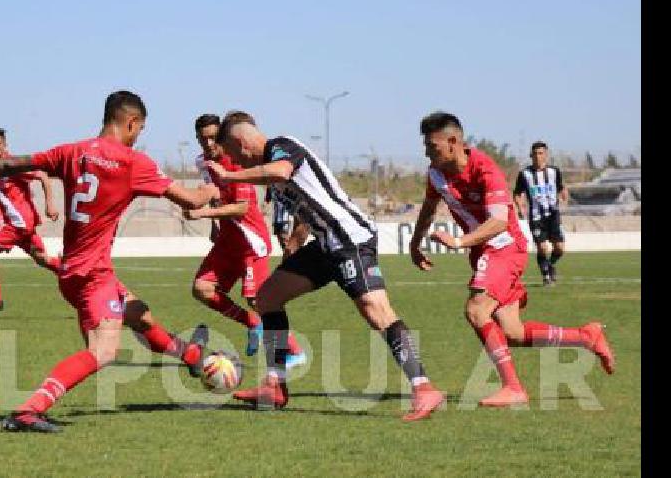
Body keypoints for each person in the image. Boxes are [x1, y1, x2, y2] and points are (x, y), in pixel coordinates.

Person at [0, 90, 221, 433]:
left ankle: (193, 357)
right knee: (104, 351)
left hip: (72, 271)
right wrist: (214, 185)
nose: (138, 137)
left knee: (140, 315)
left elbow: (15, 164)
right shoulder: (134, 163)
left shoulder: (71, 152)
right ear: (131, 122)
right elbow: (193, 203)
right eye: (140, 129)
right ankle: (29, 409)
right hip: (93, 274)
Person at [206, 111, 445, 422]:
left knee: (376, 310)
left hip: (349, 239)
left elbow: (280, 172)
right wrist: (294, 243)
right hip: (324, 245)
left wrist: (229, 176)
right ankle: (275, 386)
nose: (239, 164)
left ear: (241, 142)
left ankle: (423, 387)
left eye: (236, 155)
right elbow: (307, 204)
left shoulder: (282, 147)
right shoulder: (271, 169)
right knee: (267, 298)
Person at [408, 112, 615, 407]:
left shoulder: (485, 168)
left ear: (453, 142)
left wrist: (459, 241)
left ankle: (513, 388)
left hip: (504, 247)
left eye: (432, 146)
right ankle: (586, 336)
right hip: (484, 252)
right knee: (512, 332)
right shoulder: (436, 173)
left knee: (477, 310)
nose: (427, 152)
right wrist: (416, 243)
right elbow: (428, 208)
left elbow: (499, 222)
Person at [187, 114, 306, 367]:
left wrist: (204, 213)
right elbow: (215, 193)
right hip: (228, 241)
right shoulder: (203, 162)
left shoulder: (236, 163)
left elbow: (241, 208)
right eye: (202, 139)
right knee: (202, 289)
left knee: (260, 300)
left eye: (212, 138)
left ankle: (294, 350)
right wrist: (214, 224)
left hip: (250, 242)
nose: (208, 144)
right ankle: (252, 323)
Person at [0, 127, 61, 314]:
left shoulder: (13, 164)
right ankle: (75, 275)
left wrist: (50, 205)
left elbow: (43, 176)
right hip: (20, 225)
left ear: (5, 145)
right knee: (43, 259)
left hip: (18, 223)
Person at [513, 141, 569, 286]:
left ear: (546, 154)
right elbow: (517, 193)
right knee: (542, 247)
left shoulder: (554, 172)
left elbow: (562, 188)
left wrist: (564, 196)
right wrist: (520, 207)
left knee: (559, 248)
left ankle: (550, 265)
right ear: (531, 155)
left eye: (541, 153)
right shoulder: (525, 174)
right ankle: (546, 277)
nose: (538, 156)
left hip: (554, 214)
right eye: (535, 154)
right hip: (536, 216)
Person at [265, 186, 310, 261]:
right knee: (284, 244)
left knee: (289, 248)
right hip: (278, 214)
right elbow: (268, 199)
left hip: (291, 215)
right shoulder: (272, 184)